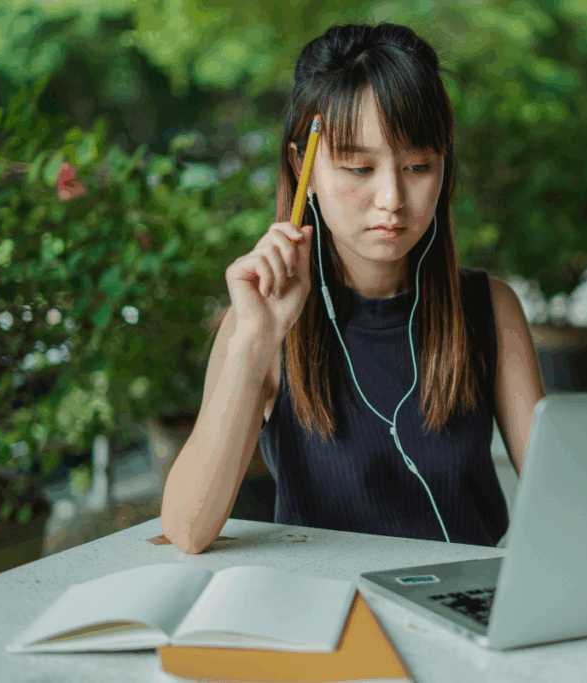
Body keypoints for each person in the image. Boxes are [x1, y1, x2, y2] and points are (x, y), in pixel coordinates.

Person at [160, 22, 546, 555]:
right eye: (358, 167)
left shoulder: (488, 308)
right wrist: (254, 344)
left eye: (417, 165)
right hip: (323, 613)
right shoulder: (260, 321)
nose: (392, 196)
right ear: (304, 169)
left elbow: (561, 502)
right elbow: (187, 530)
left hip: (467, 610)